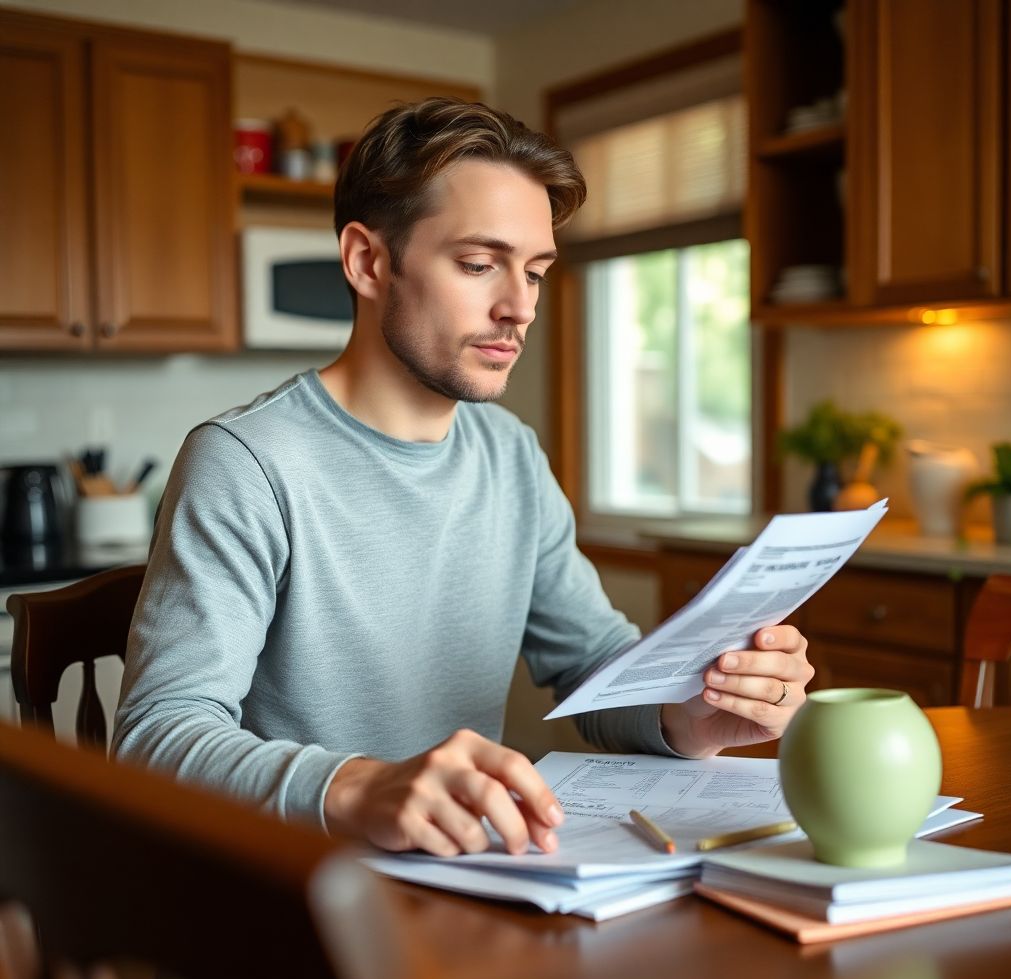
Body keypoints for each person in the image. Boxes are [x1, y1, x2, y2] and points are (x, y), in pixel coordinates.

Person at [113, 98, 814, 859]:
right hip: (292, 910)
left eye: (535, 272)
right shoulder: (246, 462)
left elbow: (591, 661)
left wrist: (689, 715)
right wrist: (357, 786)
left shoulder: (510, 454)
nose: (519, 307)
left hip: (466, 892)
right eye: (480, 265)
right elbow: (157, 737)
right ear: (368, 262)